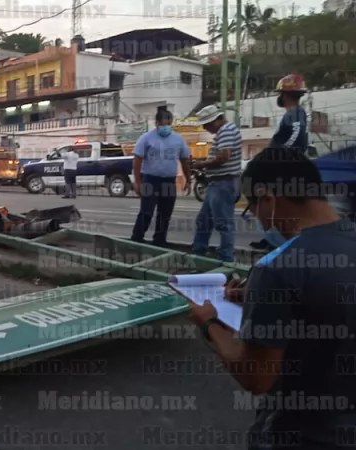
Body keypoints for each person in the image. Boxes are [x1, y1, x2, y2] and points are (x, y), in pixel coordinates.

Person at [188, 146, 356, 449]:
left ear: (268, 198)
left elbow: (256, 377)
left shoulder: (277, 267)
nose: (263, 223)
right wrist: (260, 300)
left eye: (253, 209)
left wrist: (210, 324)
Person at [251, 73, 310, 251]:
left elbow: (296, 137)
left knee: (270, 203)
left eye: (280, 94)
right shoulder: (294, 114)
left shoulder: (295, 114)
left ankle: (280, 243)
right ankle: (273, 240)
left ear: (284, 95)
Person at [130, 109, 192, 246]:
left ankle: (159, 240)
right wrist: (137, 181)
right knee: (147, 211)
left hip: (169, 181)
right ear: (156, 123)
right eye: (163, 124)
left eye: (169, 124)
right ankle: (137, 238)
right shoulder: (146, 138)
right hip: (150, 180)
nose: (166, 127)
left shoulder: (178, 139)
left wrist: (188, 179)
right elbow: (137, 159)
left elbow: (184, 160)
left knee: (165, 213)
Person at [190, 104, 243, 262]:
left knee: (223, 224)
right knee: (204, 221)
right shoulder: (226, 130)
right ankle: (199, 254)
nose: (206, 128)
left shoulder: (226, 131)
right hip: (218, 183)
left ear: (215, 120)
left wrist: (202, 164)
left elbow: (224, 157)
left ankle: (225, 259)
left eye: (206, 125)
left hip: (223, 182)